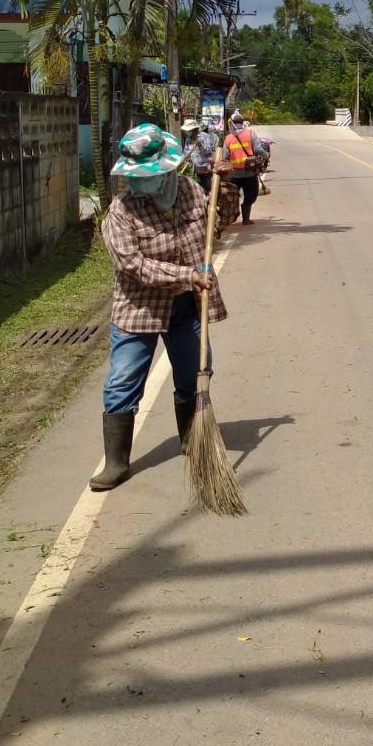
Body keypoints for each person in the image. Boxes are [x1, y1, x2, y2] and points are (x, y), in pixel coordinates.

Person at [92, 124, 226, 491]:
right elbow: (131, 266)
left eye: (146, 176)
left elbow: (217, 226)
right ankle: (116, 462)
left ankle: (190, 438)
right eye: (134, 176)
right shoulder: (120, 212)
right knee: (123, 380)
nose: (139, 184)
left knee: (194, 373)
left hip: (186, 305)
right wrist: (185, 273)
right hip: (139, 309)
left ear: (168, 170)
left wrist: (224, 187)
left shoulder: (190, 192)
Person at [224, 115, 267, 224]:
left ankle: (231, 217)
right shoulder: (250, 133)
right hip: (249, 172)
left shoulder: (228, 137)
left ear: (232, 123)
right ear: (242, 122)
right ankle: (246, 219)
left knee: (233, 196)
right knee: (251, 195)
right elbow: (258, 149)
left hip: (234, 174)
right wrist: (266, 155)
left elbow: (225, 156)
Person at [182, 117, 219, 193]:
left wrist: (200, 146)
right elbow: (186, 151)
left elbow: (209, 151)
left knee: (209, 189)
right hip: (194, 169)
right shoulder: (188, 139)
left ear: (194, 129)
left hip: (205, 169)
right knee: (198, 190)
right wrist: (185, 158)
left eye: (189, 130)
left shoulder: (204, 136)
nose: (188, 132)